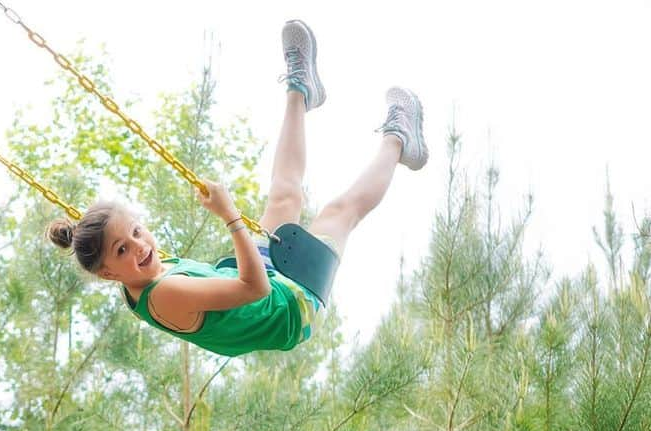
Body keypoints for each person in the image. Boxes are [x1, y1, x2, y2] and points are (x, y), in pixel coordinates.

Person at [47, 21, 427, 358]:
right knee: (338, 213)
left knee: (284, 195)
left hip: (252, 276)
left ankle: (300, 88)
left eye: (135, 231)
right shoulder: (163, 293)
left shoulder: (142, 274)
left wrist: (95, 234)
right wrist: (229, 216)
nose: (140, 245)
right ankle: (399, 139)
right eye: (122, 250)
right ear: (111, 275)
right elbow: (254, 290)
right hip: (290, 309)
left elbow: (241, 281)